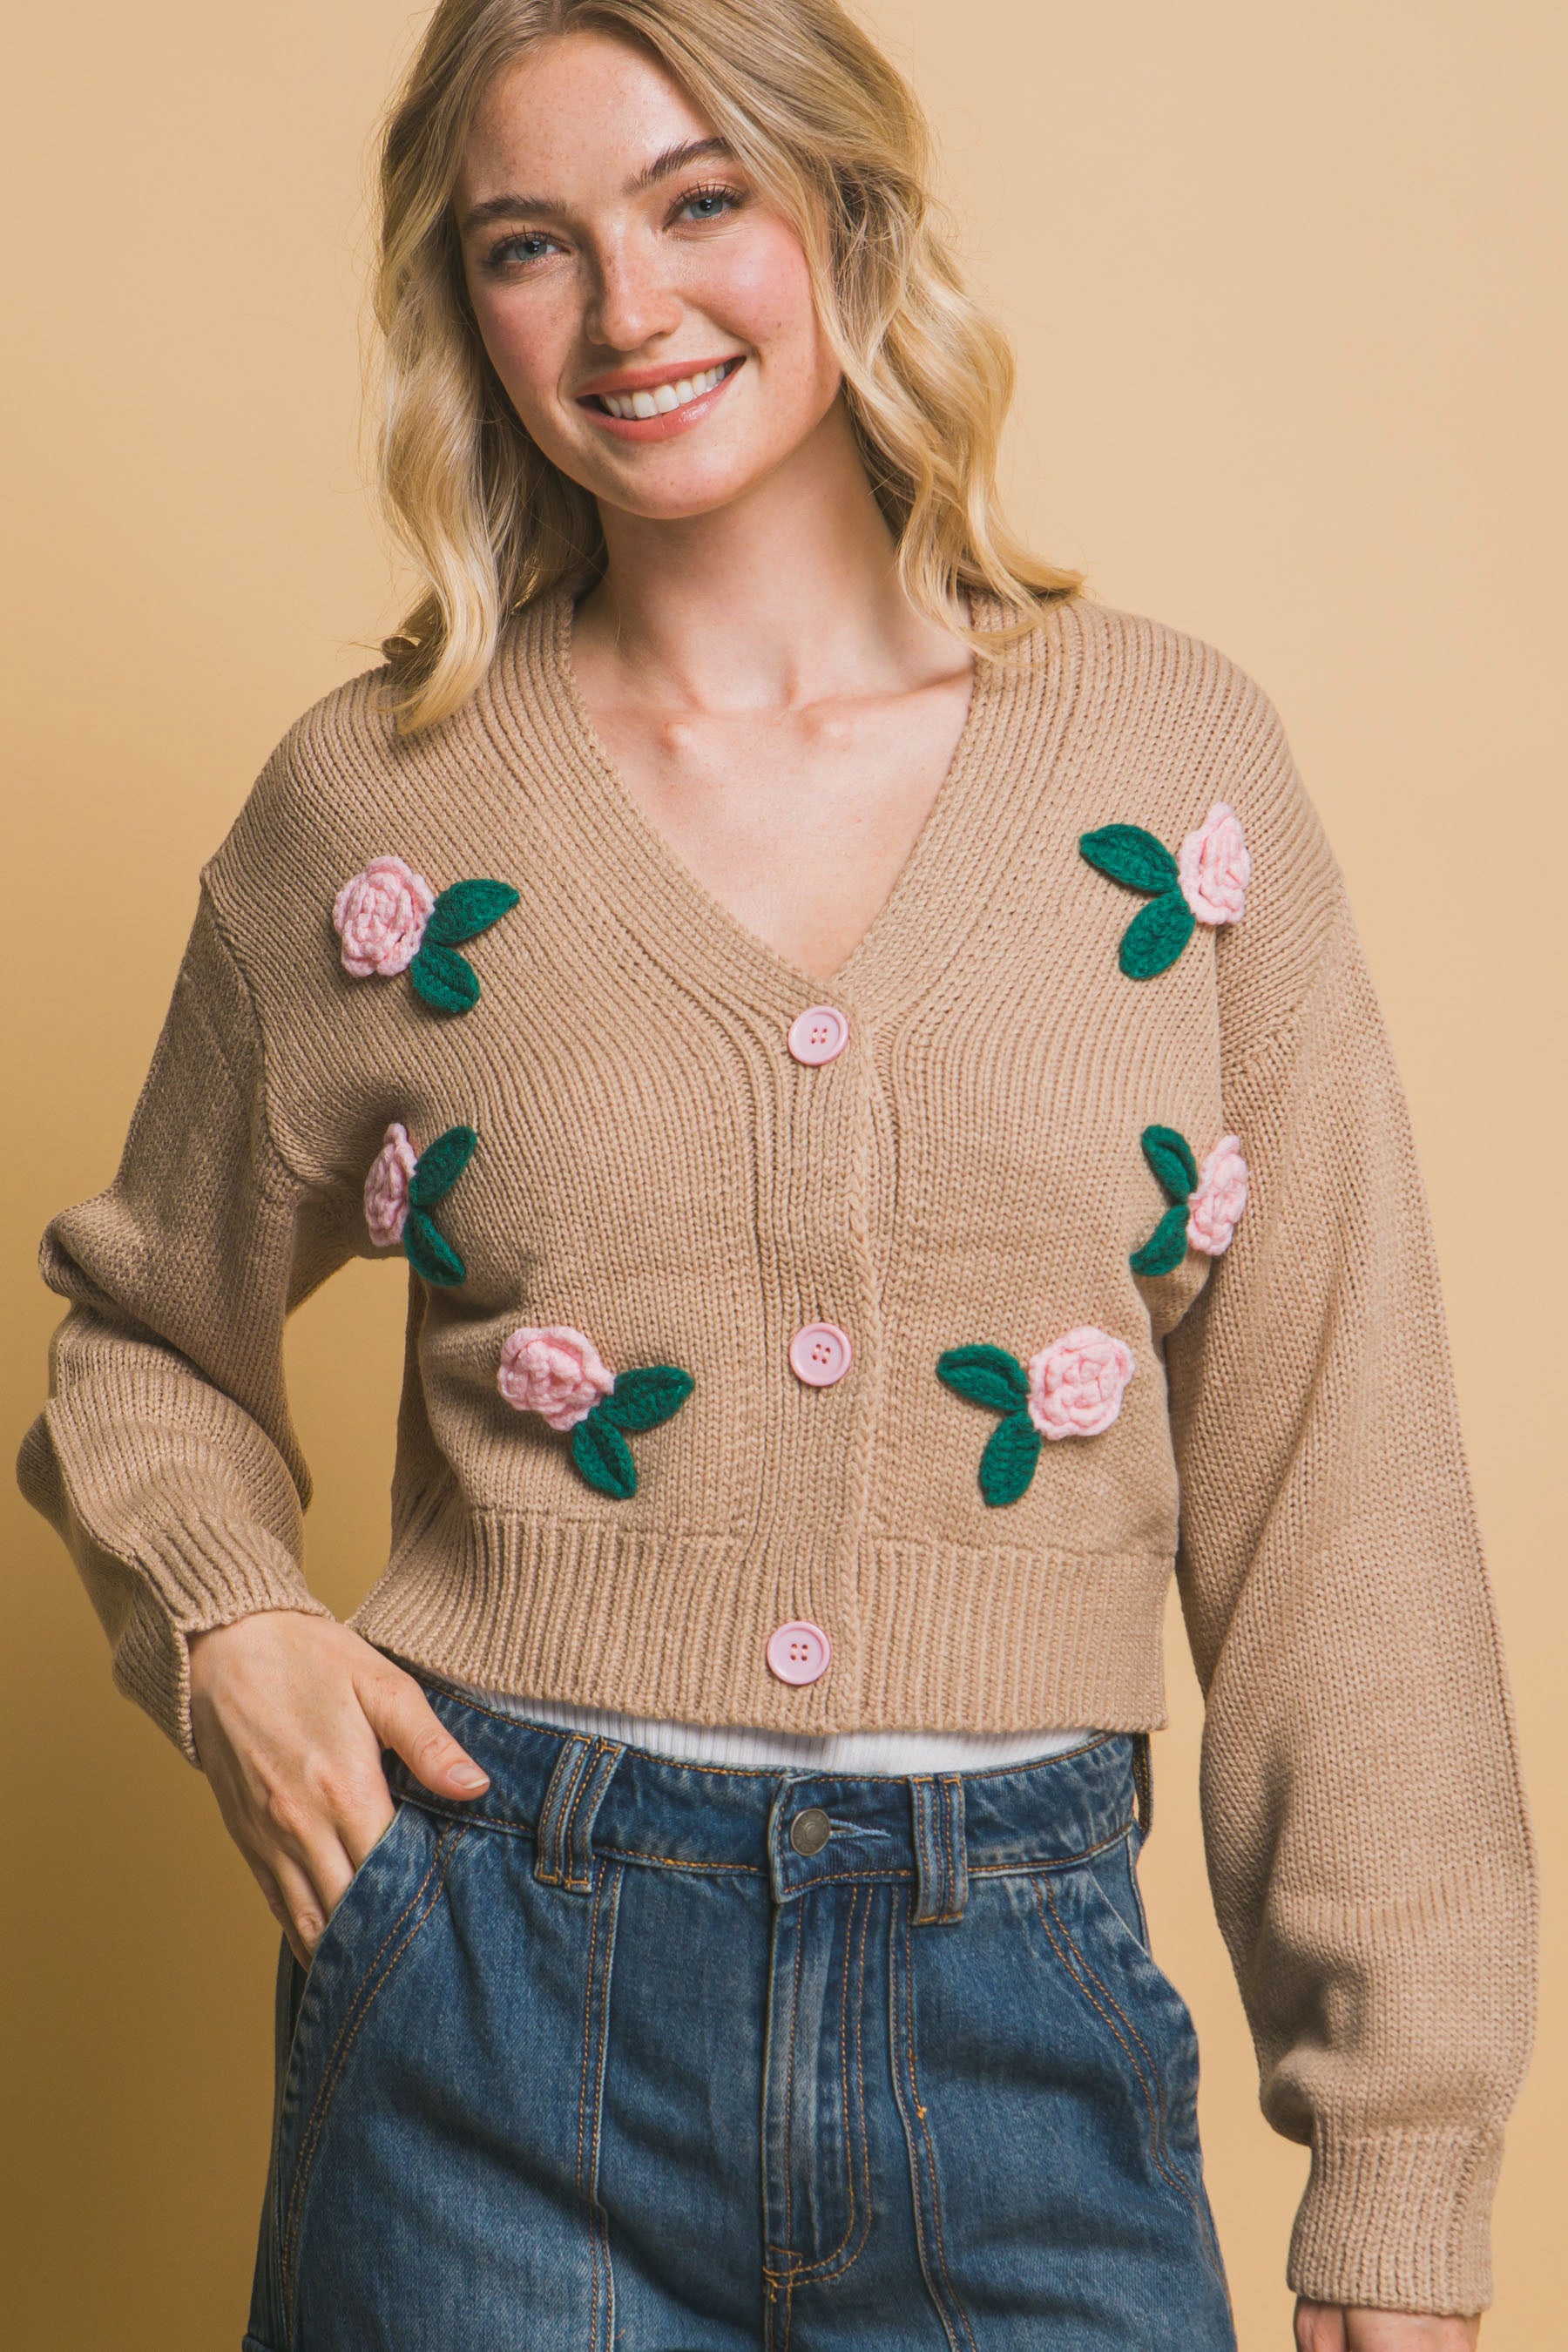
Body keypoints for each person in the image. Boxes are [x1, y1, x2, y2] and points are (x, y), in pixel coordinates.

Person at [17, 3, 1535, 2347]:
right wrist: (230, 1620)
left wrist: (1404, 2172)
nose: (629, 314)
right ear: (464, 305)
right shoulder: (387, 806)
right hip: (488, 2010)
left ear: (844, 203)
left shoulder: (1170, 772)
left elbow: (1339, 1480)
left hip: (1027, 2012)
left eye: (698, 198)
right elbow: (142, 1337)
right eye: (533, 243)